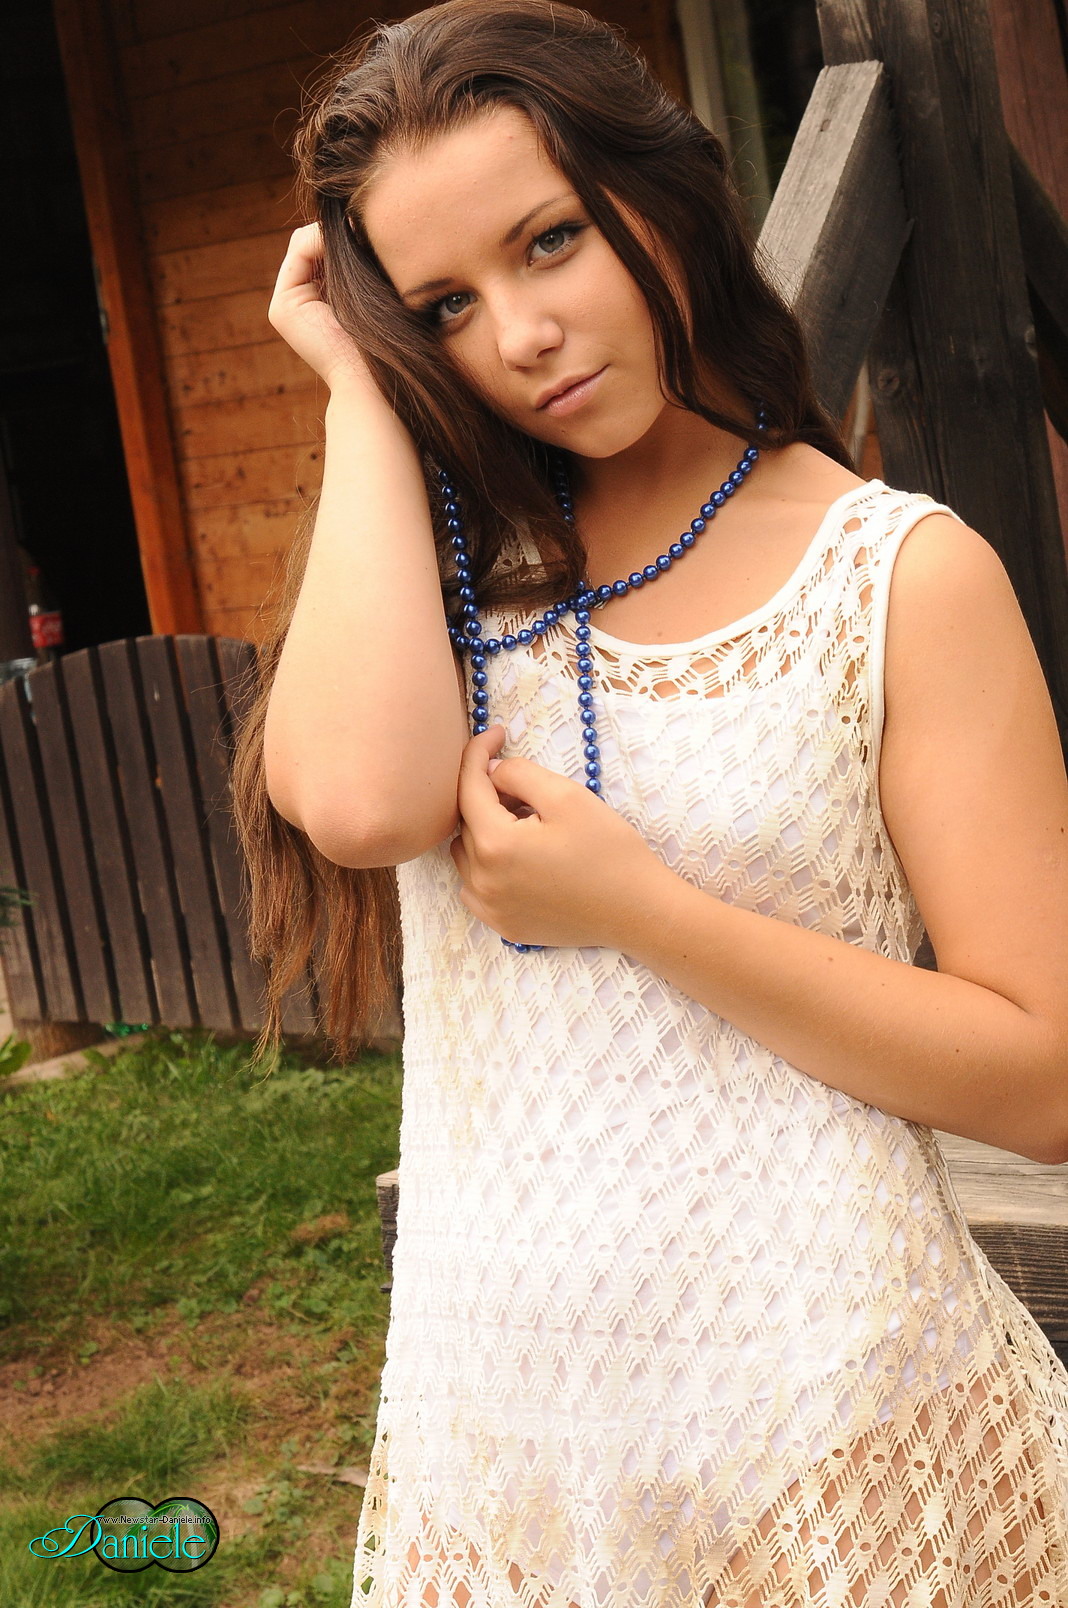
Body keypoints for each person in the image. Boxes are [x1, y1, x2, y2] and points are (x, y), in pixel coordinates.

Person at [230, 1, 1068, 1602]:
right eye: (446, 305)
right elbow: (357, 803)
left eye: (551, 240)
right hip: (508, 1459)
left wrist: (640, 913)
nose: (522, 333)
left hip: (838, 1439)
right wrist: (357, 390)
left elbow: (1045, 1079)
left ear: (664, 195)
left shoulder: (894, 576)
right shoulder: (445, 575)